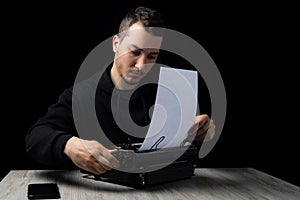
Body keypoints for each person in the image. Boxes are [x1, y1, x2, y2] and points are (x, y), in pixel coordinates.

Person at [25, 6, 215, 175]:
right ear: (116, 44)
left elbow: (182, 144)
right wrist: (69, 145)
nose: (142, 65)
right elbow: (35, 137)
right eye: (135, 52)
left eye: (152, 56)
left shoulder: (164, 93)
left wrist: (202, 130)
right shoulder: (81, 95)